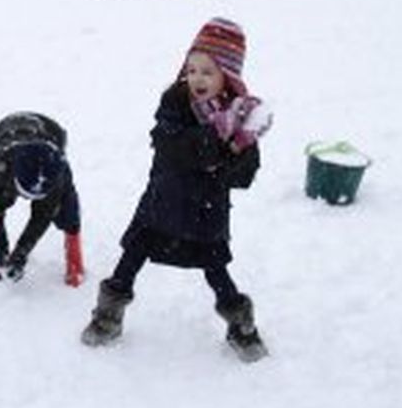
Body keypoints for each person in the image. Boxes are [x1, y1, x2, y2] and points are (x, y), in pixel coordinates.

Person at [80, 18, 274, 360]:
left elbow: (243, 176)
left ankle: (240, 325)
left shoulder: (239, 116)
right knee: (132, 257)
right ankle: (108, 316)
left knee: (216, 269)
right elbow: (170, 146)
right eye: (192, 68)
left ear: (227, 78)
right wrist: (215, 136)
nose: (197, 78)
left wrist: (236, 147)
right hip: (163, 204)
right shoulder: (174, 103)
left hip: (206, 211)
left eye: (208, 72)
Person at [0, 112, 85, 286]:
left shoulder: (56, 171)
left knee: (66, 205)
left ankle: (74, 252)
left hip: (51, 134)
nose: (27, 198)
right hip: (4, 131)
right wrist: (1, 250)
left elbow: (42, 216)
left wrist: (21, 253)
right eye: (25, 192)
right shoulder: (0, 168)